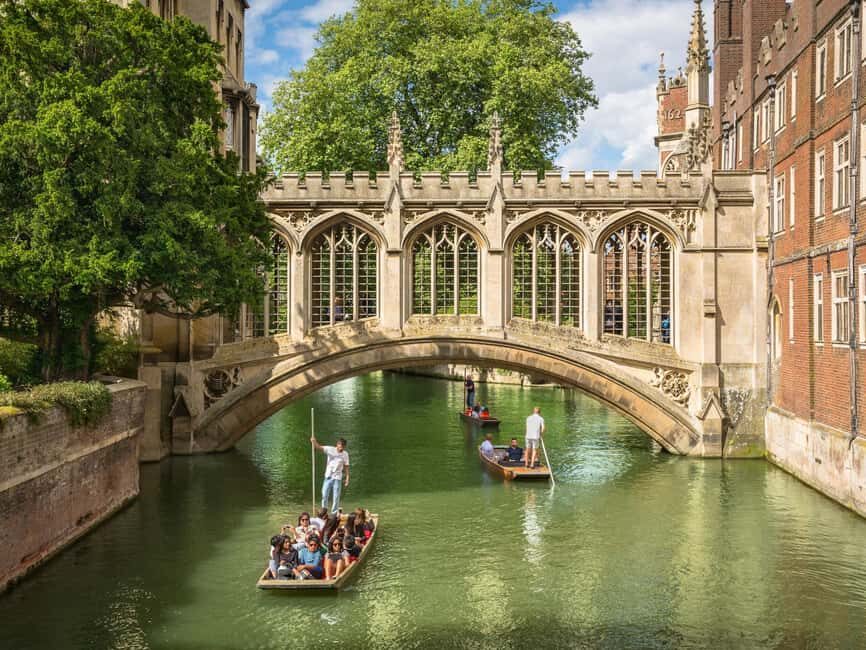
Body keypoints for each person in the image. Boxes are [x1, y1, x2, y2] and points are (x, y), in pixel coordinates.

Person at [311, 435, 350, 513]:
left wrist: (347, 478)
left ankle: (334, 513)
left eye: (342, 447)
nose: (341, 448)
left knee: (336, 497)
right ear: (337, 445)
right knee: (324, 494)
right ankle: (324, 510)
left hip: (337, 478)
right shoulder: (330, 449)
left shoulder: (345, 454)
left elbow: (346, 467)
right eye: (340, 446)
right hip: (328, 476)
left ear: (344, 447)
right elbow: (318, 447)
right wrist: (314, 441)